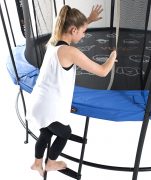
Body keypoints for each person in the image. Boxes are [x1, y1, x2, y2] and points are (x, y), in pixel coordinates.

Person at [26, 4, 117, 177]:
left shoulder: (52, 44)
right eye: (83, 31)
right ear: (73, 29)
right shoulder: (70, 52)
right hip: (48, 107)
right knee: (65, 132)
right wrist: (112, 56)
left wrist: (88, 20)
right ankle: (51, 162)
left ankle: (37, 163)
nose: (84, 35)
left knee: (45, 132)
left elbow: (73, 28)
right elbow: (103, 71)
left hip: (37, 102)